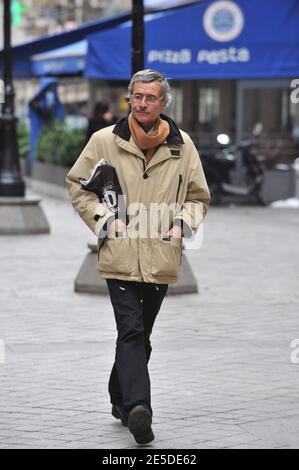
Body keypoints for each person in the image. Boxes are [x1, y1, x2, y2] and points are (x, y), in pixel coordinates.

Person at [66, 69, 210, 445]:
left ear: (164, 103)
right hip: (120, 253)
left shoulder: (183, 146)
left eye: (151, 97)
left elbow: (198, 196)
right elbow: (78, 187)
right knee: (130, 329)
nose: (143, 103)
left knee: (141, 334)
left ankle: (119, 395)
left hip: (162, 253)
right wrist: (105, 222)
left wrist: (182, 224)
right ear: (129, 98)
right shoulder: (104, 141)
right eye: (137, 96)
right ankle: (138, 409)